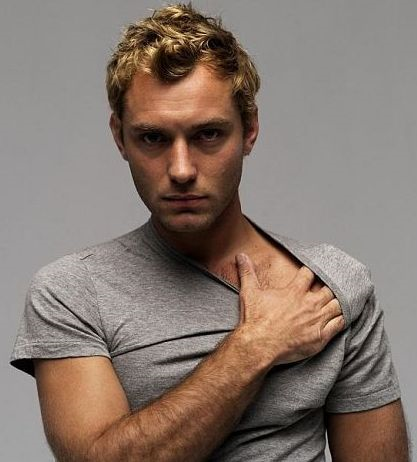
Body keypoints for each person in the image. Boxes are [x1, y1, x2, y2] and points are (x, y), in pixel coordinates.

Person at [10, 3, 409, 461]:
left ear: (250, 129)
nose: (181, 170)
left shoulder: (328, 288)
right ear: (120, 137)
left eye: (208, 135)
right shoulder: (71, 293)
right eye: (153, 138)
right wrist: (255, 346)